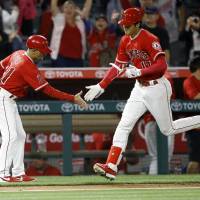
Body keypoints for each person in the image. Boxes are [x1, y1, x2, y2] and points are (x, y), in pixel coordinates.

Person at [84, 7, 200, 180]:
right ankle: (111, 166)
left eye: (128, 25)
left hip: (157, 86)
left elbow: (162, 65)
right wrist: (101, 85)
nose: (125, 28)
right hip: (139, 88)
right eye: (123, 24)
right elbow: (117, 66)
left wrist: (139, 71)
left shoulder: (149, 38)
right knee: (124, 124)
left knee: (168, 129)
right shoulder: (125, 40)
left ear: (138, 24)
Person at [0, 34, 87, 183]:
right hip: (4, 98)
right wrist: (72, 98)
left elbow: (1, 65)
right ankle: (2, 173)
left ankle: (18, 172)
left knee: (20, 135)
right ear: (33, 50)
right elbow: (48, 90)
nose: (44, 54)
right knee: (11, 136)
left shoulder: (18, 53)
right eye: (42, 51)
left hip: (9, 99)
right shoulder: (25, 64)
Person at [183, 56, 200, 174]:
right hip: (195, 130)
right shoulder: (189, 81)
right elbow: (195, 97)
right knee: (194, 162)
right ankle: (188, 184)